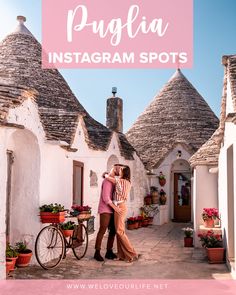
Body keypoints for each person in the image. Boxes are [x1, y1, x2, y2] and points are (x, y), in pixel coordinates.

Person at [105, 166, 138, 263]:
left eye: (121, 170)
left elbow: (108, 178)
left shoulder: (122, 181)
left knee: (120, 232)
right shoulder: (126, 181)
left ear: (124, 172)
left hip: (120, 207)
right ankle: (122, 255)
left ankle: (132, 253)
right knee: (119, 231)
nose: (119, 170)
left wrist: (106, 174)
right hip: (119, 206)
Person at [94, 166, 122, 261]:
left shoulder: (112, 180)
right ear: (115, 169)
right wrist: (116, 208)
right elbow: (106, 198)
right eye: (119, 169)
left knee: (113, 231)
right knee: (102, 230)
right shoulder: (107, 182)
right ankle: (97, 252)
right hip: (105, 210)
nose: (120, 170)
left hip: (112, 210)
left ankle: (109, 252)